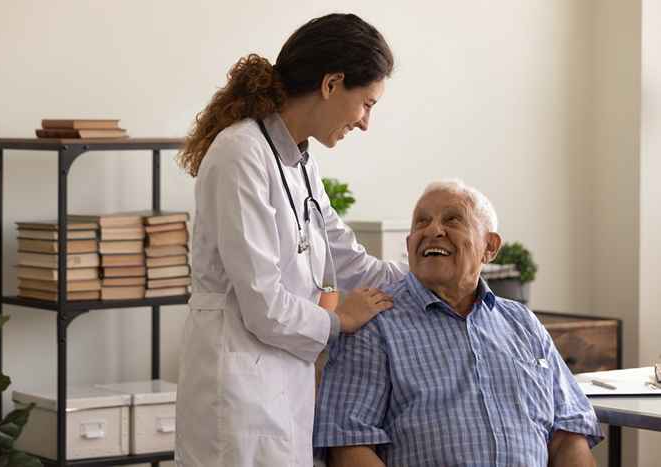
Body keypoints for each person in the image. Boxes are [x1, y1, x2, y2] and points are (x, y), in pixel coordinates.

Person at [174, 13, 407, 467]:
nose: (365, 123)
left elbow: (350, 258)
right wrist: (342, 319)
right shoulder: (240, 153)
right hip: (237, 392)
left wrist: (428, 280)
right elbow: (264, 303)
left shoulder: (301, 163)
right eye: (367, 104)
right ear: (332, 83)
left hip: (280, 387)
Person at [314, 179, 604, 467]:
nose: (433, 230)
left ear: (489, 247)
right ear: (409, 244)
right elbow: (348, 445)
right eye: (421, 222)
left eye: (452, 219)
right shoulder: (375, 322)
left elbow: (570, 431)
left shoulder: (523, 323)